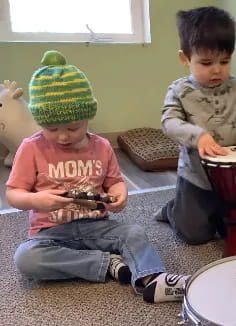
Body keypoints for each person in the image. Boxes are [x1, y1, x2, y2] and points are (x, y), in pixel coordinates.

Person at [7, 50, 189, 304]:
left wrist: (120, 194)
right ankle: (106, 264)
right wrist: (37, 201)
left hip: (98, 227)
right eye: (51, 129)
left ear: (88, 116)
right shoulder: (31, 148)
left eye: (73, 127)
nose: (63, 136)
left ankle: (153, 279)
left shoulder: (102, 146)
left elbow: (114, 182)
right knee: (26, 259)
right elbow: (14, 193)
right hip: (51, 232)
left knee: (134, 232)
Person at [155, 6, 236, 245]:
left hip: (235, 179)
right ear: (185, 59)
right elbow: (169, 122)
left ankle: (217, 214)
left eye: (224, 61)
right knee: (195, 236)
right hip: (196, 177)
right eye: (206, 62)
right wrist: (198, 136)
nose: (217, 69)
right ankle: (173, 210)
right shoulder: (179, 90)